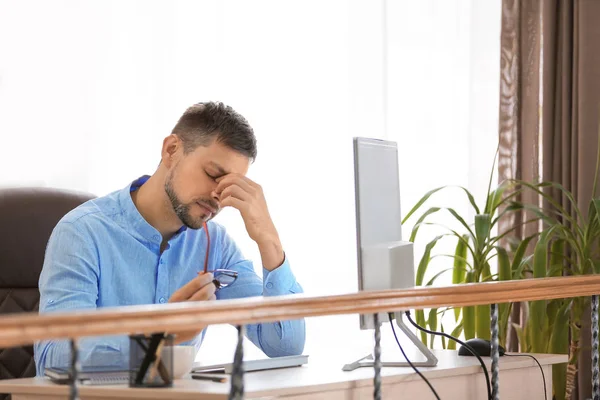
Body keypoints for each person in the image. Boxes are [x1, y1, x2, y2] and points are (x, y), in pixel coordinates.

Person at [34, 102, 305, 376]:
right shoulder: (81, 233)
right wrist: (160, 334)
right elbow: (54, 356)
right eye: (213, 175)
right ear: (171, 150)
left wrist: (268, 239)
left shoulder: (216, 245)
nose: (218, 196)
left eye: (231, 186)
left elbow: (285, 346)